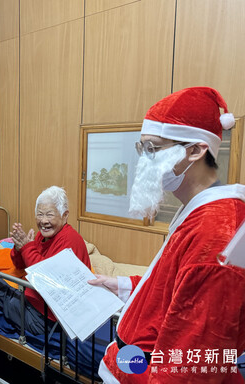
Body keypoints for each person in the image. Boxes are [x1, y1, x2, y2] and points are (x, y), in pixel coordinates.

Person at [88, 87, 245, 382]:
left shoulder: (216, 233)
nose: (142, 161)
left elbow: (188, 368)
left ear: (196, 151)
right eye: (141, 149)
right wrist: (122, 284)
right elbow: (172, 286)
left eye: (153, 149)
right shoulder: (199, 210)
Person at [0, 186, 91, 335]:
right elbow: (21, 265)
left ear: (64, 216)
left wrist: (27, 248)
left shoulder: (70, 240)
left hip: (47, 319)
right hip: (35, 302)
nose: (44, 221)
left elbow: (46, 278)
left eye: (49, 215)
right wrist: (19, 247)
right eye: (39, 214)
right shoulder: (43, 235)